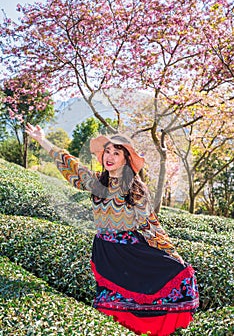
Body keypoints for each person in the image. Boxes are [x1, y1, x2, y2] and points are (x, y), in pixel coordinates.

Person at [25, 123, 199, 336]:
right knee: (108, 305)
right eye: (107, 151)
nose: (109, 156)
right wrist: (42, 139)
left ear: (125, 158)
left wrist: (172, 253)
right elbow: (70, 164)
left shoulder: (135, 189)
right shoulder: (96, 183)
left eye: (116, 153)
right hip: (106, 253)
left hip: (132, 252)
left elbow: (150, 225)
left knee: (175, 275)